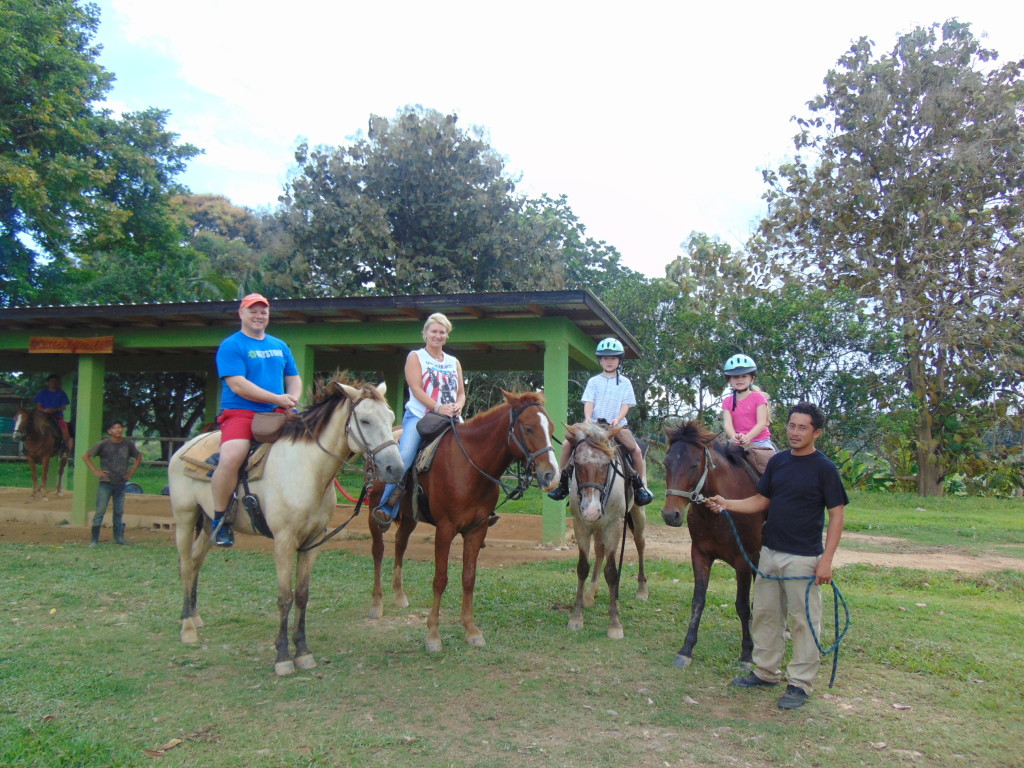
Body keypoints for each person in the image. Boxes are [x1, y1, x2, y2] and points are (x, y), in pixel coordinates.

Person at [704, 402, 848, 710]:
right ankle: (765, 671)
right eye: (792, 426)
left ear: (816, 432)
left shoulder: (825, 469)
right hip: (769, 553)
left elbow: (837, 515)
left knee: (803, 622)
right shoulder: (779, 462)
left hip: (804, 559)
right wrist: (727, 503)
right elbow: (759, 500)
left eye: (803, 428)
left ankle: (800, 684)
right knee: (766, 615)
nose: (795, 433)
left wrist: (827, 560)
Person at [210, 293, 302, 547]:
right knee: (232, 456)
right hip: (241, 412)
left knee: (308, 448)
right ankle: (220, 520)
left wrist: (291, 399)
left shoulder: (280, 345)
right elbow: (238, 385)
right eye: (253, 311)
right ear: (241, 314)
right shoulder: (232, 345)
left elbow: (294, 378)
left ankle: (305, 513)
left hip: (277, 412)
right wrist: (278, 398)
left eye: (263, 312)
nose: (259, 316)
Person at [372, 312, 465, 529]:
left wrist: (458, 404)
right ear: (425, 333)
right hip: (420, 416)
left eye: (442, 332)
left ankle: (480, 509)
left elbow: (461, 392)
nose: (438, 335)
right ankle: (387, 507)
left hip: (452, 418)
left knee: (473, 453)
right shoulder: (416, 357)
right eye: (434, 331)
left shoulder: (454, 362)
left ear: (447, 335)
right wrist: (438, 407)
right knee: (404, 456)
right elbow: (415, 388)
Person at [548, 338, 653, 505]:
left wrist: (617, 419)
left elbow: (626, 405)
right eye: (605, 358)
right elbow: (589, 402)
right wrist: (588, 417)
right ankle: (562, 482)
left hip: (615, 427)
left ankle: (640, 486)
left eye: (612, 358)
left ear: (619, 360)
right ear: (600, 360)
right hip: (593, 427)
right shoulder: (593, 381)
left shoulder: (625, 383)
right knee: (568, 442)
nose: (609, 361)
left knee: (636, 450)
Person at [82, 420, 142, 547]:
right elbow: (85, 456)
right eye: (114, 428)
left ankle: (119, 537)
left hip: (121, 482)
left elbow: (138, 456)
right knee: (100, 511)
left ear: (123, 429)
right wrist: (95, 470)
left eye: (120, 427)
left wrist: (131, 471)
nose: (117, 430)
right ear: (109, 431)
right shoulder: (103, 444)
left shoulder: (128, 444)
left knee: (119, 511)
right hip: (106, 482)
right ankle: (94, 540)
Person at [721, 354, 774, 451]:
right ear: (729, 380)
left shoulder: (759, 398)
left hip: (760, 441)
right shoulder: (727, 401)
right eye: (735, 377)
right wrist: (733, 436)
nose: (740, 379)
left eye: (744, 376)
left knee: (770, 462)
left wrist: (748, 437)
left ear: (752, 379)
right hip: (737, 441)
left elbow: (761, 423)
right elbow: (727, 424)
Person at [34, 374, 73, 453]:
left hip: (57, 416)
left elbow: (64, 406)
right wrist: (45, 410)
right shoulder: (43, 393)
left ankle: (64, 446)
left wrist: (54, 410)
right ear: (48, 382)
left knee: (64, 428)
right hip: (43, 416)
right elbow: (38, 405)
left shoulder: (61, 393)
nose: (53, 383)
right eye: (51, 381)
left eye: (55, 381)